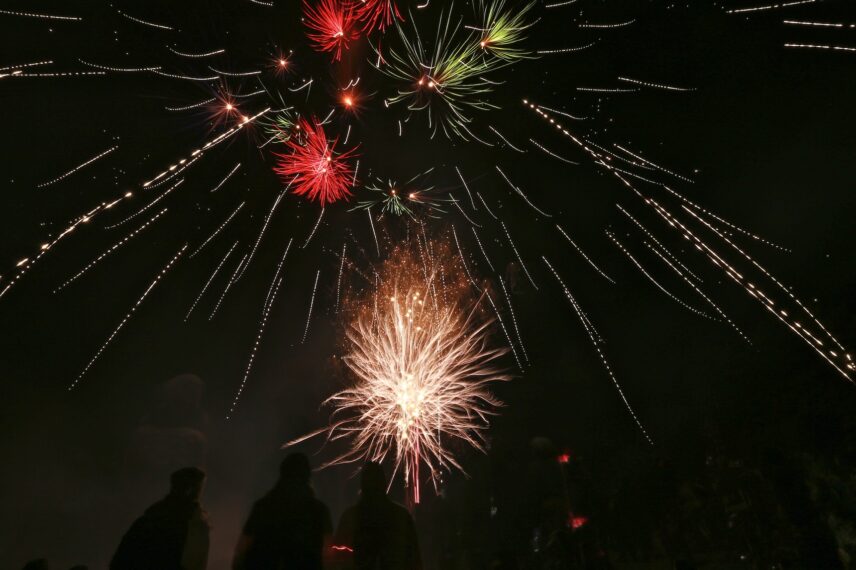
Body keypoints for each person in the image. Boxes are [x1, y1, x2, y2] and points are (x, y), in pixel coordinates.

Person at [232, 453, 333, 570]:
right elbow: (327, 552)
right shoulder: (319, 510)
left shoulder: (263, 506)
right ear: (307, 476)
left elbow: (243, 545)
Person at [110, 466, 210, 570]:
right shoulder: (191, 526)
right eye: (198, 491)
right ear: (189, 491)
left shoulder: (151, 519)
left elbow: (120, 560)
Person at [334, 462, 422, 570]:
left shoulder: (350, 517)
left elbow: (338, 559)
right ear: (385, 485)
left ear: (362, 486)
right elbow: (414, 559)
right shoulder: (401, 516)